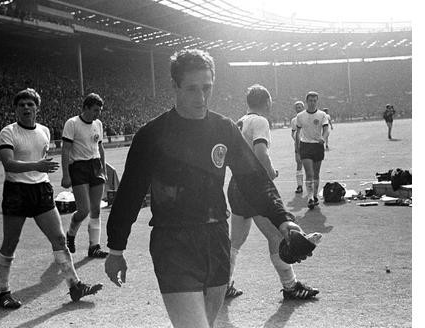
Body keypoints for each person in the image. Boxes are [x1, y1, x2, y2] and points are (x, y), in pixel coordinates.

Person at [104, 49, 307, 328]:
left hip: (216, 239)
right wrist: (116, 249)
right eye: (191, 89)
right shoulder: (152, 136)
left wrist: (283, 220)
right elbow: (130, 193)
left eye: (207, 88)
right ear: (174, 86)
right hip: (173, 242)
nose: (200, 98)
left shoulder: (223, 128)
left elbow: (254, 179)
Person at [0, 88, 102, 309]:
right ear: (16, 109)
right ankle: (2, 292)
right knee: (10, 242)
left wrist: (40, 168)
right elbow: (9, 163)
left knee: (59, 239)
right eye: (22, 104)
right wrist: (38, 165)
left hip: (41, 189)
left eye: (30, 104)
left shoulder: (44, 131)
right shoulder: (8, 132)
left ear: (37, 108)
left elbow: (41, 158)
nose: (26, 108)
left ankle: (75, 285)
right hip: (17, 191)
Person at [225, 85, 319, 300]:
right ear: (267, 102)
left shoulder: (240, 121)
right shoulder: (260, 121)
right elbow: (260, 150)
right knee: (277, 235)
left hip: (236, 185)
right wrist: (270, 172)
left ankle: (224, 285)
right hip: (253, 186)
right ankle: (290, 286)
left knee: (235, 242)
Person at [61, 93, 109, 258]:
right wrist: (65, 175)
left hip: (95, 166)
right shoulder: (72, 123)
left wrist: (103, 169)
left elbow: (100, 147)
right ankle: (71, 234)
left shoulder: (98, 124)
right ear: (86, 108)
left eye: (100, 110)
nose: (98, 113)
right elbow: (66, 150)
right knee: (83, 210)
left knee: (96, 209)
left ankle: (94, 246)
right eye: (95, 110)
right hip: (79, 167)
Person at [296, 91, 329, 209]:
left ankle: (315, 195)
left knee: (316, 173)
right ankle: (310, 198)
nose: (312, 103)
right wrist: (297, 149)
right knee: (309, 173)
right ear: (307, 101)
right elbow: (297, 132)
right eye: (310, 100)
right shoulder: (300, 116)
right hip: (305, 146)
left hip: (317, 146)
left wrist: (323, 138)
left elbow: (326, 128)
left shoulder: (322, 115)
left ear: (317, 101)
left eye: (315, 101)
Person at [291, 101, 305, 194]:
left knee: (309, 166)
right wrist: (296, 140)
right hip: (298, 145)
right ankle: (299, 186)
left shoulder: (308, 118)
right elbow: (293, 132)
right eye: (297, 107)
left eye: (300, 107)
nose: (298, 109)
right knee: (299, 164)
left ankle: (310, 186)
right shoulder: (293, 120)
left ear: (303, 108)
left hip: (309, 144)